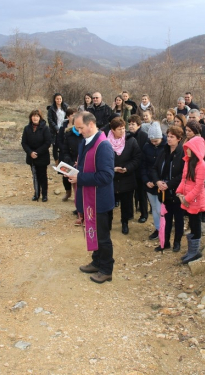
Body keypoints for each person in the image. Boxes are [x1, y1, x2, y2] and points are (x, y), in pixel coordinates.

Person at [68, 112, 115, 284]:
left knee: (102, 236)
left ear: (91, 124)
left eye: (81, 128)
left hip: (99, 200)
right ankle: (96, 261)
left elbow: (106, 176)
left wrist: (80, 178)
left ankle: (106, 269)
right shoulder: (85, 142)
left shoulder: (103, 145)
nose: (79, 132)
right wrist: (75, 170)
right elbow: (86, 165)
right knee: (92, 231)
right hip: (88, 198)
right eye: (77, 128)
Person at [176, 136, 205, 264]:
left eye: (189, 148)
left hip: (195, 201)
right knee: (191, 223)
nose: (187, 150)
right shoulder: (188, 162)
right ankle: (191, 250)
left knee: (196, 224)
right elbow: (184, 180)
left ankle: (195, 252)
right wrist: (179, 192)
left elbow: (199, 187)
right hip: (187, 199)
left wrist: (186, 199)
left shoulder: (202, 166)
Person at [152, 126, 185, 252]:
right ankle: (165, 242)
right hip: (164, 192)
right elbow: (154, 168)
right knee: (165, 218)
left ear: (179, 139)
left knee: (178, 219)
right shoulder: (164, 151)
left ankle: (177, 242)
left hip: (177, 192)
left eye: (172, 137)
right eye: (168, 136)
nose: (169, 139)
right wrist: (157, 181)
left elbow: (183, 174)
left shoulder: (182, 153)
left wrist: (169, 184)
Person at [107, 117, 142, 235]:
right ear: (112, 130)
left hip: (127, 177)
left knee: (126, 203)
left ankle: (125, 223)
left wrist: (127, 168)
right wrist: (112, 169)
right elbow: (101, 160)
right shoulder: (105, 142)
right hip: (110, 178)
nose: (122, 131)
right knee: (109, 202)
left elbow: (137, 158)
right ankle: (108, 223)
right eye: (119, 129)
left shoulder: (131, 141)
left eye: (123, 128)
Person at [141, 123, 167, 241]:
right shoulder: (146, 147)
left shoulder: (166, 147)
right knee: (154, 207)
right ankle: (157, 228)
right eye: (152, 141)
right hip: (149, 183)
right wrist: (146, 180)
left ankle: (164, 228)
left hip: (162, 183)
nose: (154, 143)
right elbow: (143, 165)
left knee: (160, 208)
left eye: (156, 141)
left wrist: (160, 181)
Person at [22, 109, 52, 202]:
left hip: (42, 156)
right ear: (31, 117)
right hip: (31, 157)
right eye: (34, 116)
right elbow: (24, 143)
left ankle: (44, 195)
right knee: (35, 176)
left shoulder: (45, 128)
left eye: (37, 116)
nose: (35, 118)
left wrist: (37, 152)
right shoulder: (27, 128)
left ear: (40, 118)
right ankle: (36, 193)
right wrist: (30, 152)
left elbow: (47, 142)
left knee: (42, 176)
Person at [128, 115, 149, 223]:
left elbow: (145, 153)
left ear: (139, 125)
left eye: (133, 124)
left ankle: (144, 214)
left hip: (140, 169)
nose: (131, 126)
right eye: (129, 124)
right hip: (130, 169)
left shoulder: (144, 136)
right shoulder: (127, 136)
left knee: (141, 193)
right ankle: (130, 213)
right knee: (129, 193)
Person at [57, 108, 77, 202]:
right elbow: (59, 140)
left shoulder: (79, 127)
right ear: (68, 116)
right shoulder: (63, 127)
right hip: (65, 153)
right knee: (65, 174)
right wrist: (64, 148)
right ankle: (68, 192)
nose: (74, 116)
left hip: (75, 155)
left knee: (75, 175)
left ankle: (76, 195)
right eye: (72, 115)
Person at [47, 93, 69, 165]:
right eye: (57, 99)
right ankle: (57, 162)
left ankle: (63, 162)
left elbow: (68, 117)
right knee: (55, 147)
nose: (59, 100)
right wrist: (56, 128)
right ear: (54, 99)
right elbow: (50, 120)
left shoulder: (65, 107)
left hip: (64, 128)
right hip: (54, 130)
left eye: (60, 99)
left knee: (63, 146)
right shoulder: (51, 108)